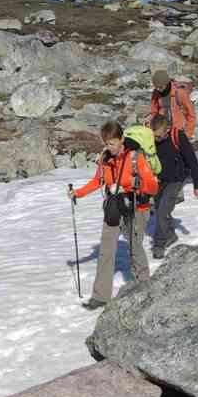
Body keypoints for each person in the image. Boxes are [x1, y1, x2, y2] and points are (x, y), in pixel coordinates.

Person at [70, 120, 159, 310]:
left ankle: (144, 287)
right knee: (106, 250)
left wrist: (133, 186)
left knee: (135, 248)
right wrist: (78, 193)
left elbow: (153, 185)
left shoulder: (136, 158)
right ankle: (100, 296)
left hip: (137, 207)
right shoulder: (105, 159)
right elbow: (97, 181)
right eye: (106, 143)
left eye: (112, 143)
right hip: (114, 207)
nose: (109, 147)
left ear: (121, 139)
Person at [150, 115, 198, 259]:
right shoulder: (150, 138)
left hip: (176, 180)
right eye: (154, 136)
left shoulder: (178, 137)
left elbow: (192, 161)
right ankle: (170, 235)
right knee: (159, 209)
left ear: (167, 129)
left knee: (161, 211)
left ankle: (159, 244)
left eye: (159, 136)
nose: (156, 139)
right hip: (159, 179)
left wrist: (197, 185)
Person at [148, 69, 196, 140]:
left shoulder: (180, 92)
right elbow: (154, 112)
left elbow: (191, 114)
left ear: (167, 83)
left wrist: (188, 133)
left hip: (179, 130)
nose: (158, 89)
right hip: (163, 131)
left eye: (161, 87)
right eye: (156, 87)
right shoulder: (156, 93)